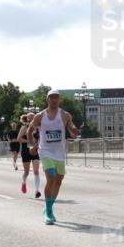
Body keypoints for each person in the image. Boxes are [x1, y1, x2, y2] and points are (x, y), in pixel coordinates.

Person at [28, 89, 80, 224]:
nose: (54, 100)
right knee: (51, 176)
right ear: (47, 99)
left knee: (58, 181)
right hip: (45, 151)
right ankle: (49, 213)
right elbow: (29, 130)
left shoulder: (65, 115)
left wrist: (74, 131)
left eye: (56, 97)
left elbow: (71, 127)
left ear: (59, 99)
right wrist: (31, 145)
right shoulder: (40, 116)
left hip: (60, 153)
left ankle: (48, 207)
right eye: (52, 97)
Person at [17, 113, 41, 198]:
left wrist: (38, 145)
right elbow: (18, 138)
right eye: (29, 119)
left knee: (36, 171)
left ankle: (37, 191)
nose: (31, 120)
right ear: (26, 120)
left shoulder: (38, 128)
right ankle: (23, 182)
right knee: (26, 172)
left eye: (33, 119)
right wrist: (29, 142)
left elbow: (41, 138)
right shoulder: (24, 128)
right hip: (26, 151)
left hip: (35, 151)